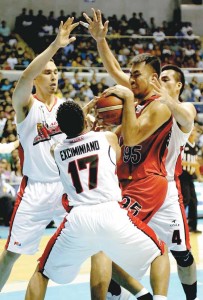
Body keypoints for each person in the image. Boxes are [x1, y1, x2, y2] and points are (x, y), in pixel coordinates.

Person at [81, 9, 198, 300]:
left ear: (174, 84)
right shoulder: (143, 98)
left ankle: (188, 297)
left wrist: (151, 95)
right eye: (162, 78)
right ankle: (134, 293)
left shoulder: (174, 107)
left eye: (168, 79)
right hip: (133, 181)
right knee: (112, 244)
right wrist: (100, 41)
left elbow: (177, 115)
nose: (163, 82)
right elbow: (118, 74)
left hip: (163, 185)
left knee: (181, 254)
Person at [25, 100, 170, 300]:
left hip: (78, 219)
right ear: (85, 120)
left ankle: (139, 293)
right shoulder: (107, 138)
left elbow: (65, 135)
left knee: (42, 272)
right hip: (111, 213)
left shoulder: (56, 151)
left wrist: (79, 120)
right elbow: (117, 157)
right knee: (160, 253)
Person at [0, 17, 79, 291]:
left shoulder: (67, 107)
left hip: (65, 188)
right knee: (11, 253)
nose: (54, 76)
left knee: (95, 240)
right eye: (47, 72)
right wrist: (56, 45)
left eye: (56, 72)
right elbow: (23, 77)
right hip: (34, 189)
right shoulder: (25, 105)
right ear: (37, 77)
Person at [180, 126, 203, 234]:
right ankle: (180, 225)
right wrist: (191, 164)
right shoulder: (183, 145)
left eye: (194, 131)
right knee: (185, 200)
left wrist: (199, 176)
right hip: (182, 175)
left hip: (190, 177)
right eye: (192, 130)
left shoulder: (195, 147)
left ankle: (192, 226)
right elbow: (179, 162)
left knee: (194, 201)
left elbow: (196, 164)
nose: (193, 133)